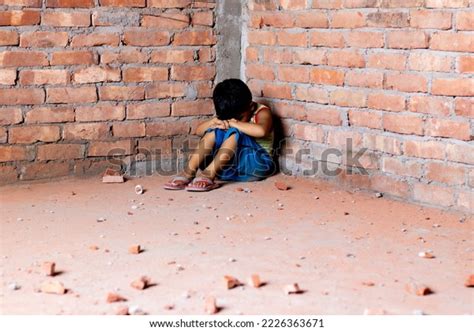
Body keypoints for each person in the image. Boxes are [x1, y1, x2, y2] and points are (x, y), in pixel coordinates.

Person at [164, 78, 275, 192]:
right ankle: (189, 171)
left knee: (235, 131)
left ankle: (208, 174)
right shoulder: (228, 112)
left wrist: (234, 123)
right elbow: (199, 131)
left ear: (251, 107)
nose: (232, 120)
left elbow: (262, 131)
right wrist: (213, 122)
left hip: (257, 166)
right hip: (230, 170)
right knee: (214, 131)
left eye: (238, 118)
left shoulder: (261, 111)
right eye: (229, 118)